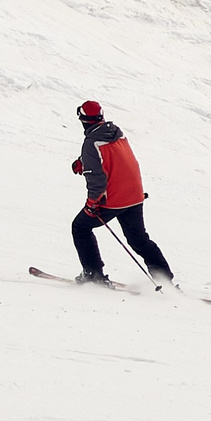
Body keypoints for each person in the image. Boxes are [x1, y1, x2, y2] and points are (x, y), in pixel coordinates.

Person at [69, 100, 172, 284]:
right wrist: (84, 161)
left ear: (83, 120)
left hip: (114, 200)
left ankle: (94, 275)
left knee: (80, 227)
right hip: (134, 197)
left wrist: (91, 204)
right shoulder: (117, 133)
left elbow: (97, 182)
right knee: (139, 239)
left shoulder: (91, 143)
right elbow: (114, 160)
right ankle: (165, 280)